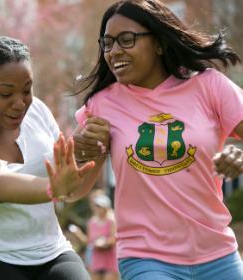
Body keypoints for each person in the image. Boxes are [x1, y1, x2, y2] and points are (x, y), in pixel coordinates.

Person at [73, 0, 243, 279]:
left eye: (126, 40)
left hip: (218, 255)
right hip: (145, 259)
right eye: (107, 43)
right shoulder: (102, 105)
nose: (114, 51)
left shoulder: (210, 86)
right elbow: (77, 188)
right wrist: (80, 154)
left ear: (160, 43)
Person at [0, 36, 102, 280]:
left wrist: (97, 149)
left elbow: (71, 190)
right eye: (5, 93)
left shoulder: (37, 112)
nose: (20, 103)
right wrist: (53, 187)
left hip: (50, 251)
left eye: (27, 90)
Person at [70, 193, 118, 280]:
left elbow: (114, 238)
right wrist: (78, 234)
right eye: (96, 206)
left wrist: (104, 243)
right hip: (96, 259)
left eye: (99, 206)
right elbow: (89, 242)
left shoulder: (111, 220)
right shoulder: (91, 222)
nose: (97, 209)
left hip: (109, 259)